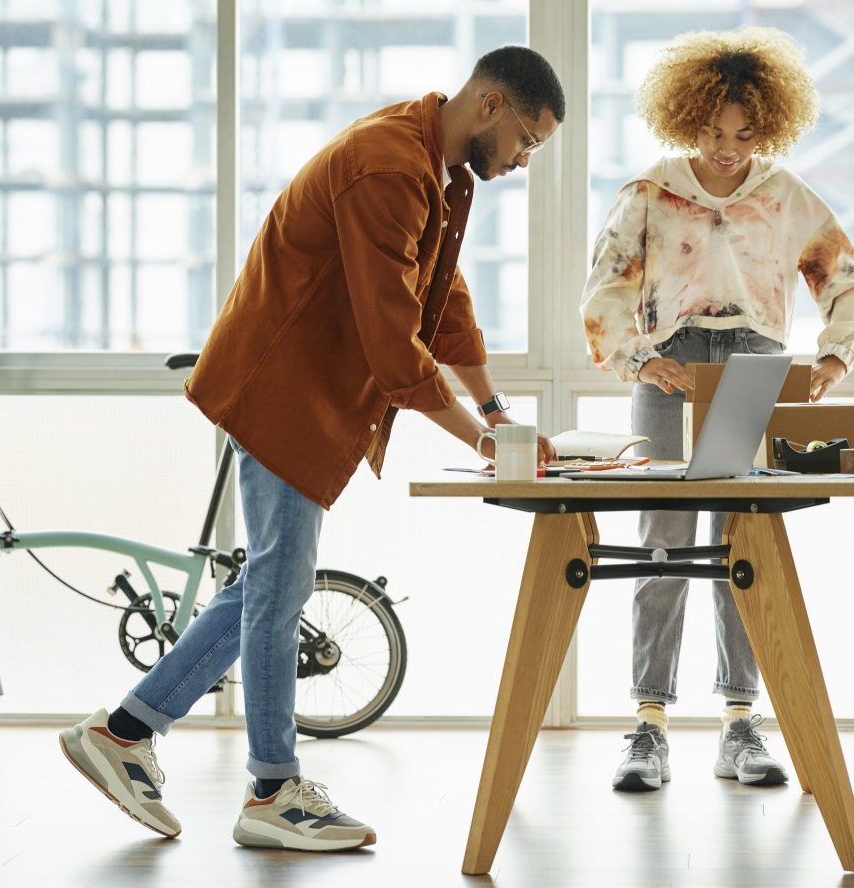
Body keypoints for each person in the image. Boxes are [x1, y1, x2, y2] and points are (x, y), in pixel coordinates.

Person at [59, 46, 565, 850]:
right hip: (281, 393)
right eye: (529, 142)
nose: (526, 161)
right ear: (492, 107)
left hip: (306, 396)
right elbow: (393, 347)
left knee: (269, 583)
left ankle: (124, 732)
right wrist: (480, 441)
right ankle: (271, 790)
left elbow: (444, 303)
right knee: (277, 590)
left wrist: (496, 410)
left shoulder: (437, 172)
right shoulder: (389, 168)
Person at [579, 28, 854, 792]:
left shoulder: (783, 195)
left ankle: (741, 725)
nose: (728, 148)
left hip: (752, 367)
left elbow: (845, 279)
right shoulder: (650, 192)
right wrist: (640, 358)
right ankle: (648, 726)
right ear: (689, 121)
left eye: (744, 134)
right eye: (714, 131)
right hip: (669, 370)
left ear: (767, 127)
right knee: (662, 544)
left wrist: (838, 355)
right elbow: (605, 288)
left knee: (743, 544)